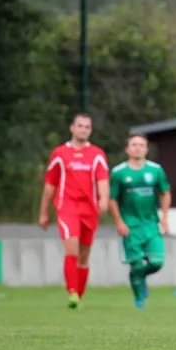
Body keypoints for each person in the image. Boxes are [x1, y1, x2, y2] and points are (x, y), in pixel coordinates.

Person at [39, 113, 110, 309]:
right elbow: (50, 185)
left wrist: (104, 199)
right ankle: (72, 292)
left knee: (84, 254)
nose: (83, 130)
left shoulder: (97, 154)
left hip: (89, 209)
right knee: (72, 247)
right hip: (67, 207)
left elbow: (102, 179)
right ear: (72, 128)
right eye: (80, 126)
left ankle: (78, 295)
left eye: (87, 127)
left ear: (91, 130)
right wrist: (43, 212)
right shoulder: (60, 153)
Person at [109, 132, 171, 309]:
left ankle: (141, 277)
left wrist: (165, 218)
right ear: (127, 149)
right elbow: (112, 199)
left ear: (146, 149)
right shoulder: (119, 172)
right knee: (135, 264)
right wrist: (119, 222)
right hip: (130, 226)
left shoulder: (156, 170)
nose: (137, 148)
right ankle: (138, 300)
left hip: (151, 223)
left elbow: (165, 193)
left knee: (157, 262)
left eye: (141, 145)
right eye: (134, 144)